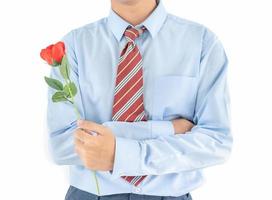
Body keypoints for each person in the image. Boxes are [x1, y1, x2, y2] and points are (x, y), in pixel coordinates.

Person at [46, 0, 233, 199]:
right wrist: (168, 129)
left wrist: (118, 152)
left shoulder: (202, 43)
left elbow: (216, 141)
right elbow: (60, 144)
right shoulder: (74, 45)